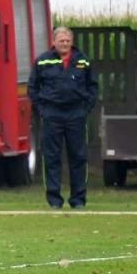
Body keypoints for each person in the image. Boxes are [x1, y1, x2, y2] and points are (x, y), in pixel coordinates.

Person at [31, 26, 98, 209]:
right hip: (52, 114)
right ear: (54, 42)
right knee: (51, 157)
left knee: (78, 157)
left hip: (76, 114)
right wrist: (42, 109)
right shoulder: (43, 61)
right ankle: (54, 200)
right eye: (61, 40)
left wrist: (85, 108)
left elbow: (93, 87)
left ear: (72, 42)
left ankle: (78, 200)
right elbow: (33, 88)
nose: (65, 44)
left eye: (68, 40)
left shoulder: (83, 61)